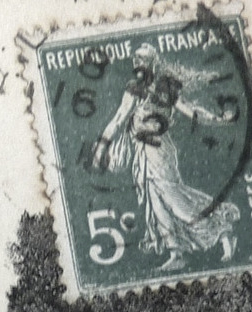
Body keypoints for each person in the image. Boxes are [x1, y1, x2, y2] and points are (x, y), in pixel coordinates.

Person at [91, 43, 241, 272]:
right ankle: (176, 253)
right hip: (143, 153)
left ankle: (222, 231)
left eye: (142, 60)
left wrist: (218, 119)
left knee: (175, 201)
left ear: (153, 62)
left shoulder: (166, 88)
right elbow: (119, 118)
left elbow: (191, 111)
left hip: (161, 152)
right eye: (136, 60)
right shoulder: (133, 89)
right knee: (157, 204)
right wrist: (102, 146)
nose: (137, 64)